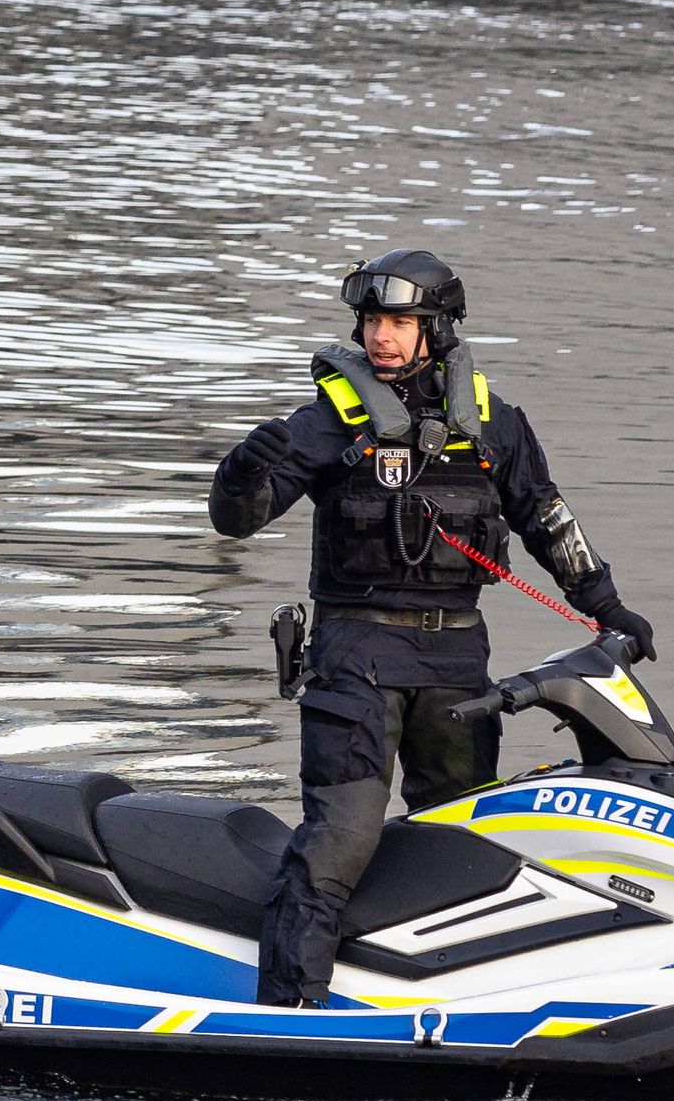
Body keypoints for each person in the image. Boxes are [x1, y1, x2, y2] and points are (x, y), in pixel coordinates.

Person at [204, 246, 651, 1006]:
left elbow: (544, 517)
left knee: (466, 840)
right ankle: (286, 1007)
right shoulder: (328, 422)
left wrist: (605, 605)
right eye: (373, 319)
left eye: (400, 321)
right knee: (340, 841)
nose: (381, 335)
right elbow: (237, 522)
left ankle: (448, 998)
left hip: (454, 663)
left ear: (437, 329)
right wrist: (242, 473)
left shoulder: (494, 424)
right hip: (355, 659)